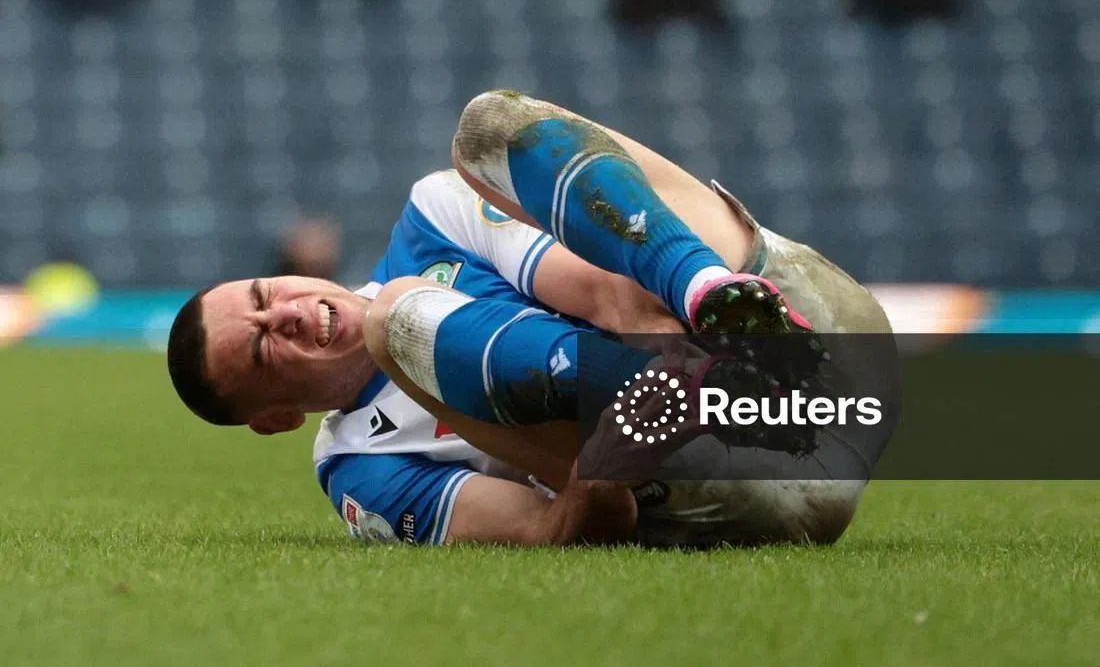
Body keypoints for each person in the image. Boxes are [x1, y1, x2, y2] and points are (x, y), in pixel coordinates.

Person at [167, 91, 894, 547]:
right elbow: (552, 529)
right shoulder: (360, 470)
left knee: (489, 129)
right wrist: (610, 462)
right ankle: (700, 386)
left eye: (263, 295)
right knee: (396, 321)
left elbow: (616, 298)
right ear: (275, 419)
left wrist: (689, 342)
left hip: (822, 328)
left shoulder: (433, 218)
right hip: (739, 481)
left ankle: (707, 289)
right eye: (262, 349)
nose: (285, 316)